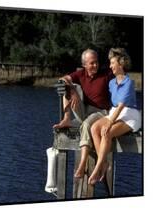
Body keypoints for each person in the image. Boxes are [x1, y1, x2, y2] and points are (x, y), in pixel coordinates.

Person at [53, 49, 114, 178]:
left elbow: (121, 77)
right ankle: (67, 118)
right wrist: (73, 91)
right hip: (85, 110)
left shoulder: (106, 74)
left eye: (96, 62)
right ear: (84, 65)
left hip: (101, 112)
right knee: (68, 85)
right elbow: (62, 79)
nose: (95, 65)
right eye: (92, 63)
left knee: (86, 125)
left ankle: (82, 163)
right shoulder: (80, 74)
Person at [88, 48, 141, 185]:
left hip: (129, 114)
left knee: (107, 132)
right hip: (114, 112)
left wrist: (109, 123)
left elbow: (122, 105)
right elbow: (112, 104)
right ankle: (104, 163)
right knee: (94, 128)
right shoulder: (111, 83)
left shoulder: (129, 82)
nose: (110, 66)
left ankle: (98, 167)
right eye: (110, 63)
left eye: (113, 63)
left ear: (121, 64)